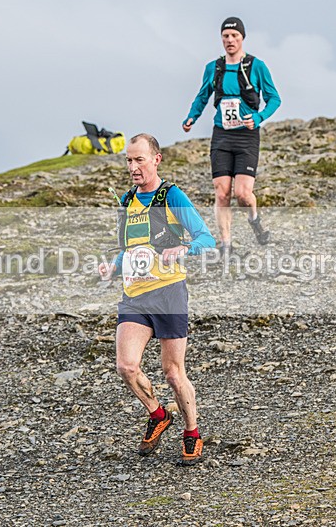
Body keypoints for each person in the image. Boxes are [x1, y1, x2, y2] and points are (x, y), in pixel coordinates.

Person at [98, 133, 215, 465]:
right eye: (128, 160)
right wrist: (113, 266)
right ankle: (158, 414)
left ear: (156, 159)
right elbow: (131, 249)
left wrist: (184, 248)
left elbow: (206, 238)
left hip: (168, 294)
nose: (133, 167)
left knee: (173, 373)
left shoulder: (171, 195)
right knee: (126, 366)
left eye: (139, 159)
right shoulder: (127, 201)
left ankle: (192, 433)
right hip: (135, 296)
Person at [183, 16, 281, 252]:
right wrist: (191, 117)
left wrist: (258, 117)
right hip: (222, 135)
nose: (230, 40)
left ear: (242, 38)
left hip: (247, 136)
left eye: (234, 35)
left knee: (243, 194)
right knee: (222, 192)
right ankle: (226, 243)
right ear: (221, 39)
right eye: (226, 36)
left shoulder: (256, 66)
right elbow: (202, 96)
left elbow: (274, 99)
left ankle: (254, 219)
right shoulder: (214, 68)